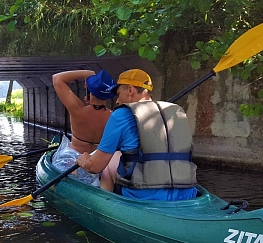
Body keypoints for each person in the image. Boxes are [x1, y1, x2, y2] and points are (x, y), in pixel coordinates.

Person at [76, 68, 198, 200]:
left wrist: (85, 162)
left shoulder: (121, 114)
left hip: (143, 194)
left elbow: (95, 166)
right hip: (187, 192)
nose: (117, 101)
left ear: (130, 90)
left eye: (118, 94)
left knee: (109, 162)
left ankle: (105, 205)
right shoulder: (174, 112)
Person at [51, 69, 116, 186]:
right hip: (97, 164)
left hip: (71, 159)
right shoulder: (114, 117)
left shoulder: (77, 109)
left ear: (90, 91)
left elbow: (57, 79)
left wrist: (86, 73)